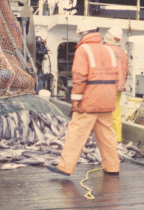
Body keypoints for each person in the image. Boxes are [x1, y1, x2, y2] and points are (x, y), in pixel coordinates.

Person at [48, 19, 120, 176]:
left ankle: (65, 167)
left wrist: (76, 100)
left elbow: (79, 77)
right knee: (107, 134)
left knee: (76, 132)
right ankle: (112, 167)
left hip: (90, 99)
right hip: (107, 98)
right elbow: (117, 76)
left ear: (83, 33)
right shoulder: (109, 50)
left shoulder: (83, 50)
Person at [103, 26, 129, 142]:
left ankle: (104, 140)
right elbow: (126, 71)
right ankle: (117, 141)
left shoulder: (104, 50)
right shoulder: (123, 52)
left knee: (102, 114)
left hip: (105, 87)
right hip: (118, 88)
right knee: (116, 114)